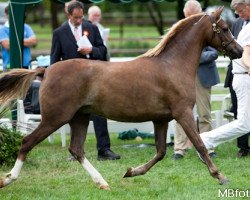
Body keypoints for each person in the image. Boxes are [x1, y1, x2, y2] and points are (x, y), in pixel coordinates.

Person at [50, 1, 120, 161]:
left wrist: (92, 50)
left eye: (81, 17)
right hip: (72, 84)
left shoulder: (92, 28)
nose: (79, 20)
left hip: (94, 81)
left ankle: (104, 150)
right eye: (76, 17)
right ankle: (77, 151)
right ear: (68, 15)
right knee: (74, 117)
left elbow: (103, 51)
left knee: (100, 114)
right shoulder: (59, 33)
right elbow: (54, 61)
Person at [199, 0, 250, 154]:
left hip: (242, 77)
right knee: (244, 124)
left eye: (240, 11)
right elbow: (246, 53)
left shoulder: (246, 26)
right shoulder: (248, 28)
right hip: (245, 77)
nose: (238, 15)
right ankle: (206, 139)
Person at [172, 0, 220, 159]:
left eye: (194, 15)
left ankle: (208, 146)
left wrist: (193, 58)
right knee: (180, 113)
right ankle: (179, 148)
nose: (191, 18)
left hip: (202, 75)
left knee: (204, 113)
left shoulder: (209, 26)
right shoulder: (179, 28)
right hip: (181, 77)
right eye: (188, 16)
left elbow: (214, 52)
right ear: (185, 14)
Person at [224, 17, 250, 157]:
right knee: (238, 113)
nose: (237, 13)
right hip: (236, 73)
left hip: (247, 73)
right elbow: (230, 47)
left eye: (240, 10)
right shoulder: (236, 23)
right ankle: (243, 147)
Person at [0, 5, 37, 71]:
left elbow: (34, 41)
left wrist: (14, 41)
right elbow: (7, 45)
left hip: (26, 64)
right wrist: (27, 41)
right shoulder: (2, 29)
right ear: (6, 14)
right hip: (10, 65)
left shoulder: (26, 26)